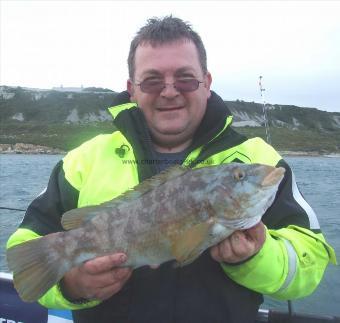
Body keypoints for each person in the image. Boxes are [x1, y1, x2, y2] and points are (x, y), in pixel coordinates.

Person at [7, 16, 336, 323]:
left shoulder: (256, 157)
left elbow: (311, 263)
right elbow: (25, 247)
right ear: (132, 88)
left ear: (206, 82)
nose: (169, 90)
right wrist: (70, 285)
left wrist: (257, 256)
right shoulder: (83, 160)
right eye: (151, 81)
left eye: (185, 78)